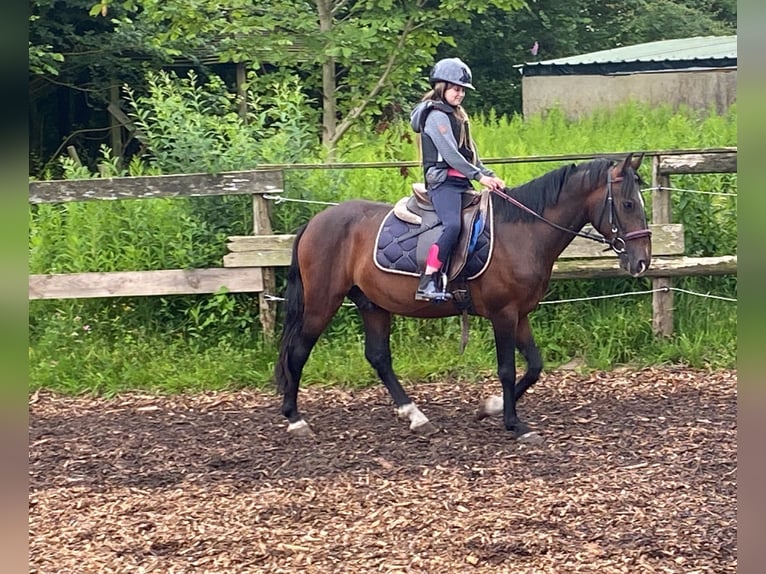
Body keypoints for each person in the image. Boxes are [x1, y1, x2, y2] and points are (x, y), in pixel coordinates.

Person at [410, 57, 506, 302]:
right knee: (452, 225)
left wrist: (490, 176)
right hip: (443, 184)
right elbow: (451, 155)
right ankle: (428, 279)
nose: (460, 94)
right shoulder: (435, 116)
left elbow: (471, 155)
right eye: (456, 88)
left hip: (461, 183)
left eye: (462, 90)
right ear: (441, 87)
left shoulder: (459, 117)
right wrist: (478, 177)